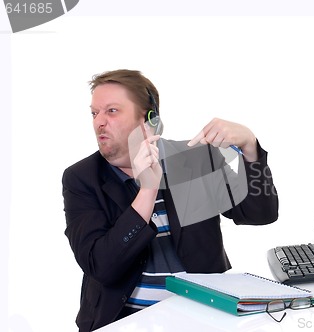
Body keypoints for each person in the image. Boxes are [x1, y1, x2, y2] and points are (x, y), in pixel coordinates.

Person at [62, 69, 279, 332]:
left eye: (112, 111)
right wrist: (148, 190)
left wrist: (249, 146)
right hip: (124, 319)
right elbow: (102, 266)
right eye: (95, 113)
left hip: (203, 314)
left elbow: (260, 213)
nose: (99, 122)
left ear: (149, 118)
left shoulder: (197, 158)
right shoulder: (82, 178)